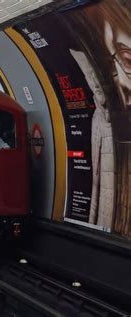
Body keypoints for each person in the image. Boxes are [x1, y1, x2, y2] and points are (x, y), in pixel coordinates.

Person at [70, 49, 114, 229]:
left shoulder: (118, 120)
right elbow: (95, 180)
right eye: (90, 79)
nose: (95, 84)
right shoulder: (97, 117)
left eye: (99, 80)